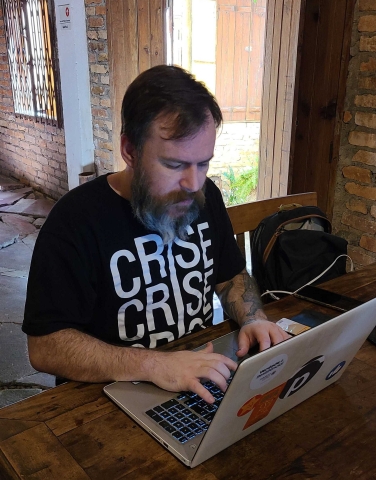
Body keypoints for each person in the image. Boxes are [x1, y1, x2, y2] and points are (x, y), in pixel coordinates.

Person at [23, 65, 289, 403]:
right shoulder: (75, 220)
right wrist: (154, 365)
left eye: (203, 163)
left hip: (202, 378)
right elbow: (45, 347)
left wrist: (254, 318)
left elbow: (229, 275)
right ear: (130, 151)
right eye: (175, 165)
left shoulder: (205, 198)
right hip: (110, 399)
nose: (194, 184)